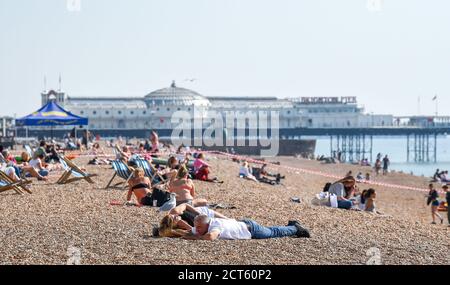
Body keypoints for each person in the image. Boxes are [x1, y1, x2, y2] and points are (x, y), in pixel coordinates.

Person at [182, 215, 310, 240]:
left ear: (207, 224)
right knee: (269, 229)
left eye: (199, 227)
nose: (197, 229)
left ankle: (296, 228)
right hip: (244, 224)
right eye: (196, 227)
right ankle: (290, 226)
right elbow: (190, 231)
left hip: (251, 230)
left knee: (272, 233)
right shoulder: (204, 225)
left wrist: (192, 237)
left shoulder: (215, 226)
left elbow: (210, 237)